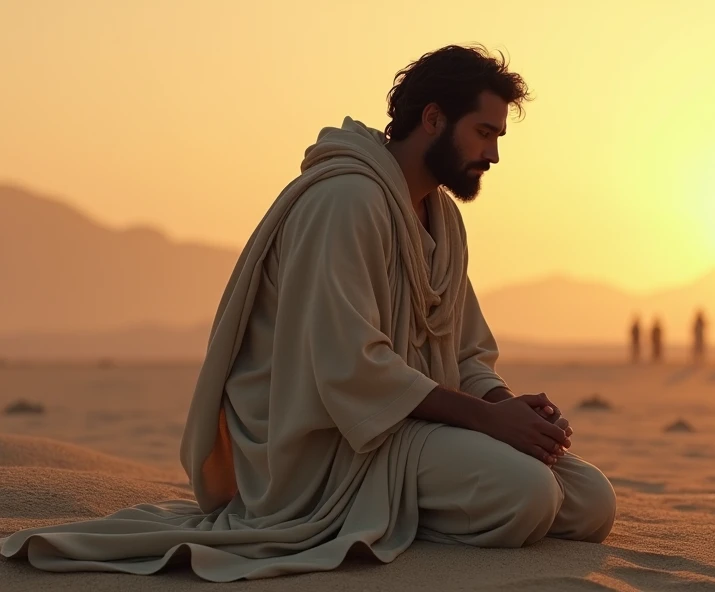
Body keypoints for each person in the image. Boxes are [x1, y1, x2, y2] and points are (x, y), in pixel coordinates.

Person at [0, 44, 616, 580]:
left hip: (414, 427)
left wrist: (503, 406)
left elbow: (465, 352)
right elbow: (350, 368)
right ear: (433, 119)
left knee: (591, 501)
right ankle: (380, 513)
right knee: (529, 496)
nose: (495, 155)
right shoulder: (346, 201)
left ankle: (421, 501)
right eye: (485, 133)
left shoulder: (443, 219)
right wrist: (485, 426)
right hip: (332, 450)